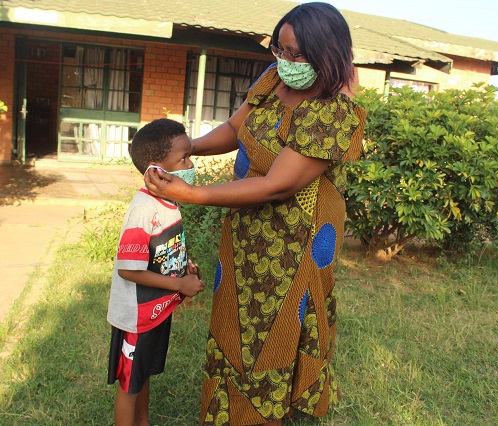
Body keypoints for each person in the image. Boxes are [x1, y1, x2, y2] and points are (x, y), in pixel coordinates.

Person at [145, 2, 367, 424]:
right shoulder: (272, 80)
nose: (284, 61)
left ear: (326, 52)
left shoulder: (334, 112)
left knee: (273, 321)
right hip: (246, 224)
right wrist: (185, 148)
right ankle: (227, 405)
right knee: (233, 310)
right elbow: (234, 130)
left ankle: (261, 411)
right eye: (279, 50)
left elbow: (277, 184)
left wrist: (192, 193)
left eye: (295, 53)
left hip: (295, 236)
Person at [107, 118, 206, 426]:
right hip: (136, 318)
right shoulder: (143, 210)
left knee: (144, 373)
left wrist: (183, 266)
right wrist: (181, 287)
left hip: (156, 312)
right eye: (183, 159)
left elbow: (165, 247)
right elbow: (129, 269)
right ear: (156, 169)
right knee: (129, 385)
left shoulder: (169, 202)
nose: (190, 164)